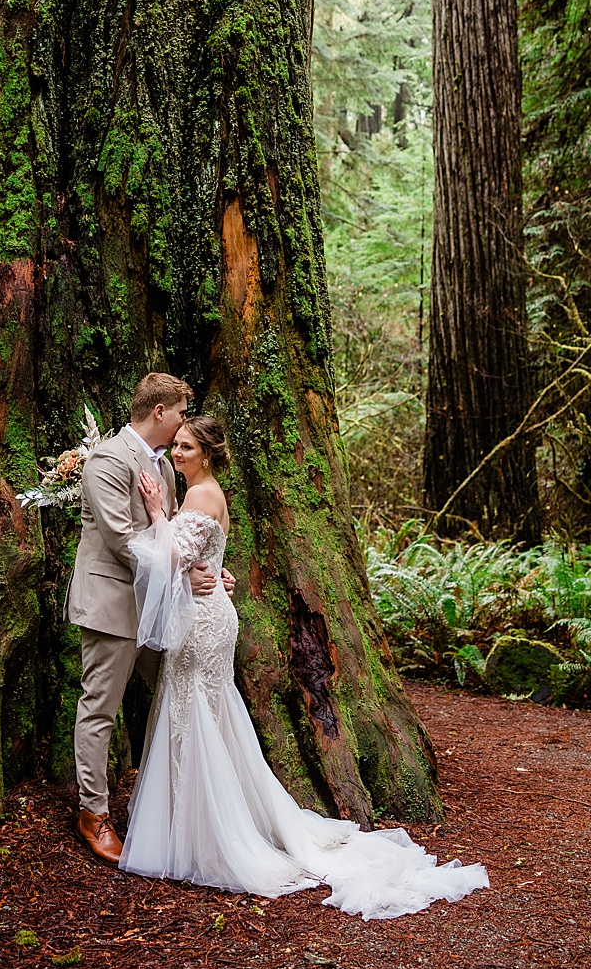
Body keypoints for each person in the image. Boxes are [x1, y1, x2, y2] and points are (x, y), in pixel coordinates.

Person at [116, 415, 488, 919]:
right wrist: (206, 565)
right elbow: (197, 559)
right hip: (203, 616)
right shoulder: (200, 494)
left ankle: (217, 834)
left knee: (199, 714)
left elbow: (171, 557)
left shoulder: (201, 495)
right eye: (176, 445)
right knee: (198, 713)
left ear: (206, 454)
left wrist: (157, 515)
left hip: (205, 624)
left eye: (185, 447)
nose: (176, 454)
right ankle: (198, 823)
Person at [68, 372, 232, 863]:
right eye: (181, 412)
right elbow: (121, 539)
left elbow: (179, 536)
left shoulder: (164, 469)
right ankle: (93, 814)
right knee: (100, 708)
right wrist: (183, 576)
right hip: (113, 606)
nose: (185, 421)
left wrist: (207, 571)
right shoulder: (108, 460)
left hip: (161, 614)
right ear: (160, 412)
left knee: (178, 699)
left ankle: (182, 810)